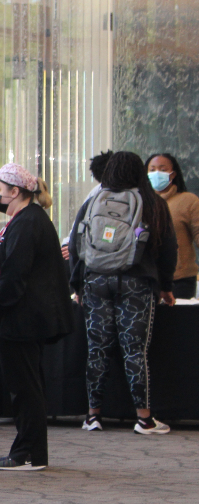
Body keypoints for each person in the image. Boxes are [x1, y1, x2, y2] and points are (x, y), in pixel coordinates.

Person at [68, 151, 177, 435]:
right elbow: (167, 249)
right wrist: (166, 286)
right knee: (134, 351)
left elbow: (77, 244)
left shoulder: (95, 200)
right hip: (137, 283)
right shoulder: (152, 203)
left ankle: (92, 416)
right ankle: (144, 419)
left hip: (95, 283)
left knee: (97, 350)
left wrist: (78, 285)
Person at [0, 164, 73, 471]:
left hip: (20, 318)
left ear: (15, 192)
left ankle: (28, 453)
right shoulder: (24, 220)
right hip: (19, 316)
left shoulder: (28, 223)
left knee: (25, 387)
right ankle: (31, 450)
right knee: (26, 385)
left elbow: (15, 275)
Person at [146, 153, 199, 299]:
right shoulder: (140, 202)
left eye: (163, 170)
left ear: (173, 174)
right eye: (152, 170)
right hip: (145, 280)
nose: (157, 174)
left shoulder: (189, 201)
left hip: (180, 281)